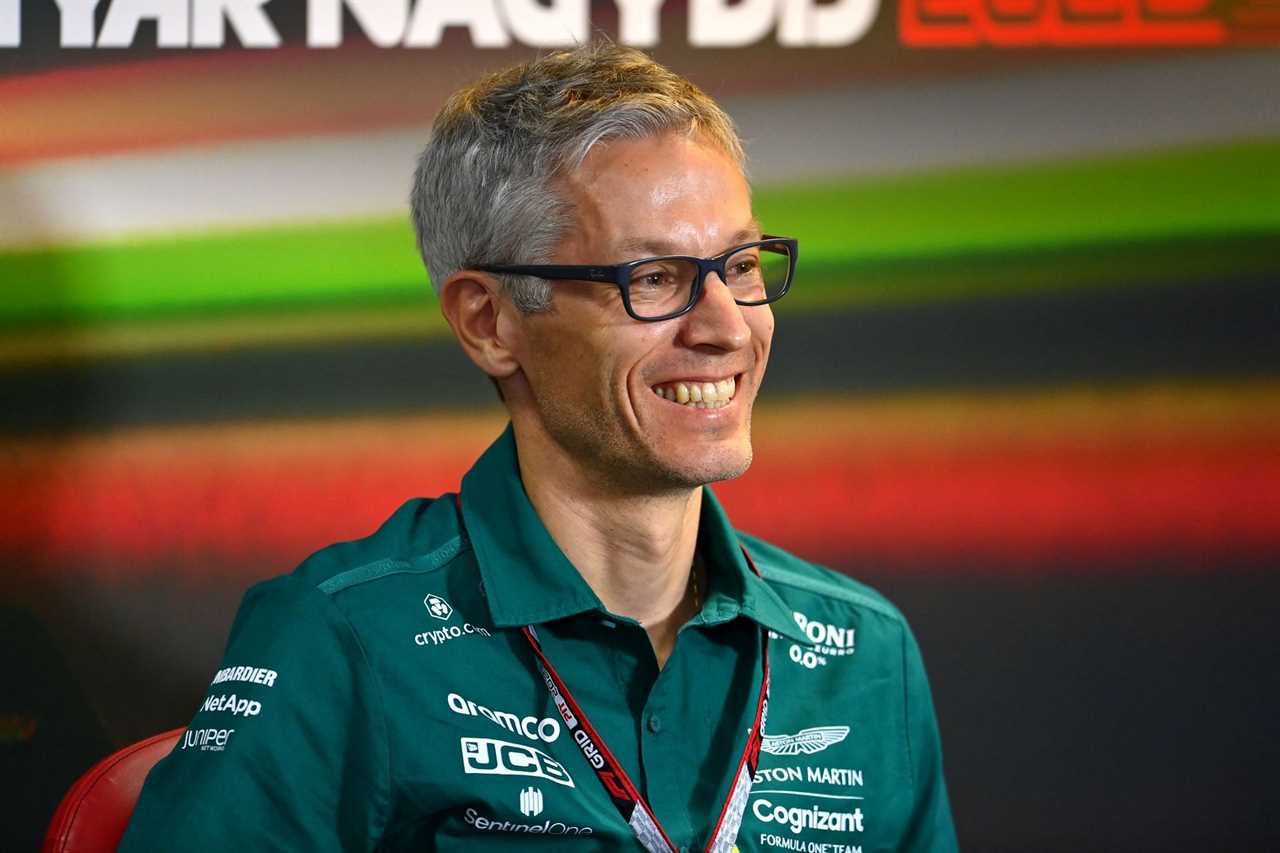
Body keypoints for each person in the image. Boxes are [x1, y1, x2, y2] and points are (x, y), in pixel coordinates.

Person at [121, 42, 957, 852]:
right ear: (490, 322)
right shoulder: (344, 635)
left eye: (739, 265)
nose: (728, 326)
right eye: (655, 279)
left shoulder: (866, 650)